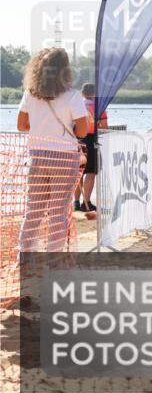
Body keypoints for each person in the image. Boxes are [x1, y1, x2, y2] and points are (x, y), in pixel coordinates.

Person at [15, 47, 89, 253]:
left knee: (33, 212)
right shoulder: (73, 96)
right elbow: (82, 130)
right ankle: (54, 261)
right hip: (64, 157)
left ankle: (25, 258)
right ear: (65, 70)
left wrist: (42, 128)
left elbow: (21, 125)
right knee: (58, 212)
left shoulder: (30, 94)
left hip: (37, 156)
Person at [75, 82, 107, 213]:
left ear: (82, 93)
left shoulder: (76, 105)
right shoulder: (99, 106)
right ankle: (86, 202)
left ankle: (76, 202)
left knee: (78, 173)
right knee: (90, 173)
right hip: (92, 139)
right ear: (95, 94)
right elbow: (104, 127)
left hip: (77, 139)